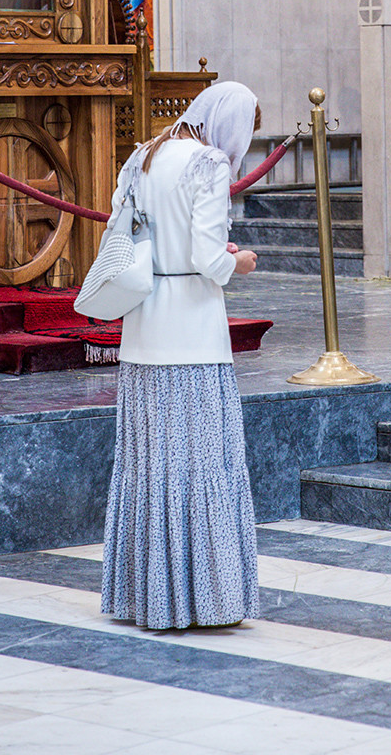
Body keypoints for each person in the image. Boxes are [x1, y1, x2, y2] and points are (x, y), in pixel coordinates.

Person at [101, 81, 261, 630]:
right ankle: (206, 599)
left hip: (144, 327)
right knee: (200, 464)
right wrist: (241, 262)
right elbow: (208, 258)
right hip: (193, 332)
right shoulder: (210, 163)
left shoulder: (143, 154)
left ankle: (148, 597)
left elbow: (119, 231)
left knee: (151, 466)